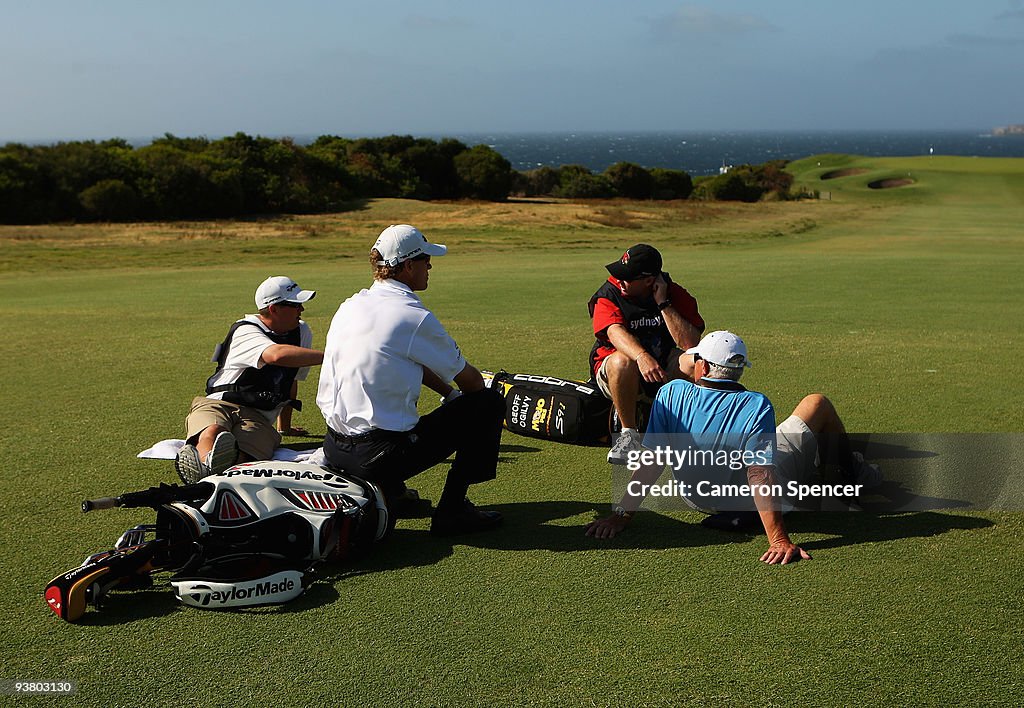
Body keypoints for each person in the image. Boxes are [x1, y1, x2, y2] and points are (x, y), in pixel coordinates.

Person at [585, 330, 882, 564]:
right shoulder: (756, 404)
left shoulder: (670, 393)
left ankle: (824, 468)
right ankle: (852, 476)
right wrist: (778, 539)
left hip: (696, 499)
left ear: (701, 366)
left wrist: (621, 515)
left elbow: (652, 463)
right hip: (744, 498)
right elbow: (760, 475)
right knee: (816, 404)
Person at [316, 224, 506, 536]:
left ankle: (391, 491)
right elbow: (472, 383)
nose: (430, 266)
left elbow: (404, 361)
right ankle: (454, 510)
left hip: (335, 448)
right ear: (407, 266)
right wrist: (461, 394)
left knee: (393, 417)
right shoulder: (412, 315)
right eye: (425, 260)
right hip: (376, 457)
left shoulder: (351, 305)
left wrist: (447, 393)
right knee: (488, 402)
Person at [175, 276, 324, 484]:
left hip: (259, 417)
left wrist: (285, 427)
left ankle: (210, 469)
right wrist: (333, 356)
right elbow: (276, 355)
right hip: (219, 403)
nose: (302, 310)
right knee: (213, 431)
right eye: (295, 304)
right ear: (273, 309)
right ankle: (204, 466)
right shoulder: (246, 329)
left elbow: (291, 380)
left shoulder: (302, 331)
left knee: (247, 454)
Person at [589, 243, 705, 464]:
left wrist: (663, 303)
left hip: (661, 365)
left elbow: (690, 342)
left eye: (628, 277)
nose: (620, 280)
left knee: (698, 363)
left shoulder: (672, 293)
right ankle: (628, 435)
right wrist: (641, 356)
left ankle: (693, 432)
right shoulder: (609, 293)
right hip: (617, 372)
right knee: (622, 362)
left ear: (650, 281)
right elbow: (614, 332)